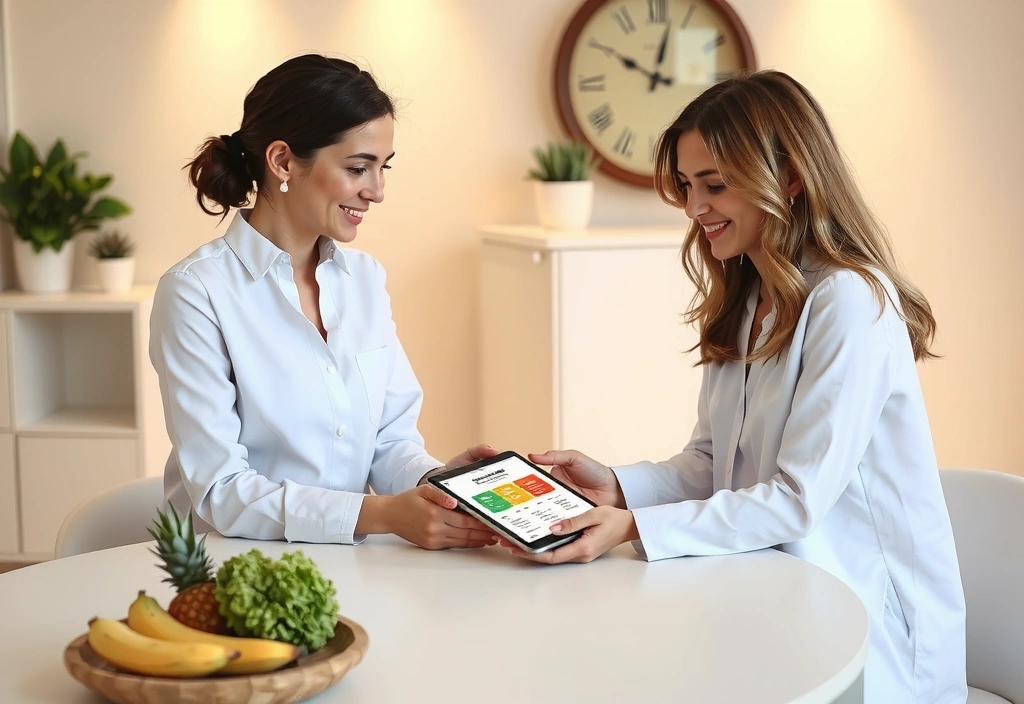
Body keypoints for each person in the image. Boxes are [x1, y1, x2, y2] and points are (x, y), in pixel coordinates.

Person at [501, 70, 967, 702]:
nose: (695, 209)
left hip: (867, 636)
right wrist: (614, 484)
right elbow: (716, 463)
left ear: (792, 178)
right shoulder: (749, 298)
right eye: (689, 187)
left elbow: (796, 500)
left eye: (714, 186)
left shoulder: (849, 301)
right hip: (770, 601)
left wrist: (634, 526)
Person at [151, 54, 497, 550]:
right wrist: (379, 514)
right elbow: (221, 491)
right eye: (359, 168)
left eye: (383, 169)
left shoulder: (364, 280)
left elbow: (390, 442)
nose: (376, 192)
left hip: (350, 564)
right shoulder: (195, 292)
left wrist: (437, 486)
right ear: (283, 161)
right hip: (234, 568)